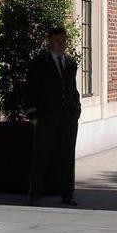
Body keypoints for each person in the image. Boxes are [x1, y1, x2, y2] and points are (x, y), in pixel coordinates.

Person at [25, 26, 82, 206]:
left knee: (67, 156)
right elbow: (32, 89)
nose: (61, 45)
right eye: (57, 41)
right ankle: (35, 195)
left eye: (63, 41)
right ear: (50, 41)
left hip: (67, 118)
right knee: (42, 157)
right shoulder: (40, 63)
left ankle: (68, 194)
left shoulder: (70, 63)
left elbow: (72, 89)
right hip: (47, 117)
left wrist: (76, 109)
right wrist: (33, 114)